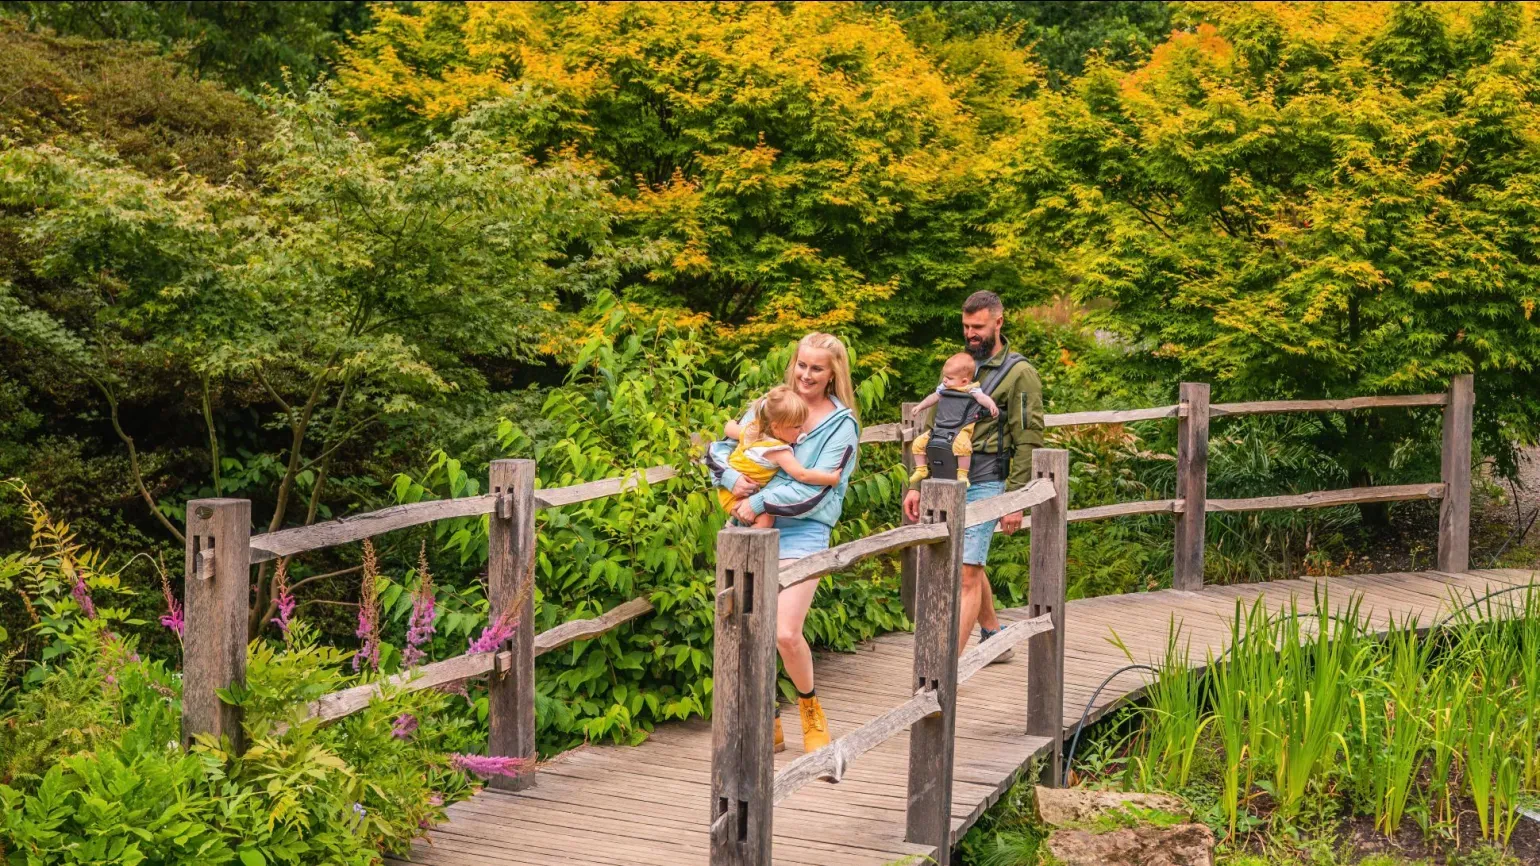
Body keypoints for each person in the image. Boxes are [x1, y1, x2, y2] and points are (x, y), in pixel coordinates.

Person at [706, 333, 862, 754]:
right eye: (802, 365)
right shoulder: (771, 403)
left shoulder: (841, 425)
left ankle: (810, 708)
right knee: (746, 627)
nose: (806, 375)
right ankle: (768, 718)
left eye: (817, 368)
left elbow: (818, 493)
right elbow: (723, 448)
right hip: (748, 528)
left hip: (803, 530)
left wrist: (755, 498)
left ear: (833, 374)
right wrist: (728, 478)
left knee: (785, 631)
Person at [903, 291, 1044, 660]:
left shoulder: (1019, 373)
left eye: (978, 327)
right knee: (968, 561)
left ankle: (945, 670)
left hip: (985, 479)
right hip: (944, 479)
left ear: (999, 322)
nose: (971, 333)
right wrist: (918, 484)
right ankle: (995, 636)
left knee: (965, 570)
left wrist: (1016, 499)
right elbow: (935, 425)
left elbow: (1028, 437)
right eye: (966, 326)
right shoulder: (960, 365)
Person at [717, 385, 844, 525]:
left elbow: (729, 429)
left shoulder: (754, 431)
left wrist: (730, 422)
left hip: (727, 487)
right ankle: (755, 544)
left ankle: (737, 529)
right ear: (776, 427)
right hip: (737, 495)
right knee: (767, 519)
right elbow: (802, 475)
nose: (802, 431)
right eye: (797, 427)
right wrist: (831, 479)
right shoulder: (778, 451)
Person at [907, 352, 999, 486]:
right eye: (944, 376)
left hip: (961, 429)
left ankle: (962, 474)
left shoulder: (970, 389)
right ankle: (921, 469)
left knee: (963, 447)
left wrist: (991, 405)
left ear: (964, 381)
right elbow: (933, 397)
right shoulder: (944, 388)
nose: (944, 380)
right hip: (940, 428)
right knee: (918, 442)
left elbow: (982, 398)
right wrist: (920, 406)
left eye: (949, 378)